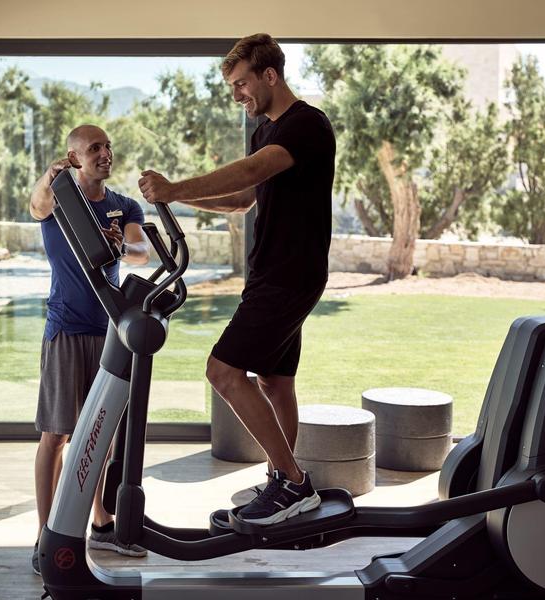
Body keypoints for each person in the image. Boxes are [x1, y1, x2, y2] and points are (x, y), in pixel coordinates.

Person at [138, 33, 336, 526]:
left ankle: (292, 482)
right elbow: (242, 198)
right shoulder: (263, 130)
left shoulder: (306, 125)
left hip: (290, 274)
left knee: (223, 371)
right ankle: (282, 482)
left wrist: (176, 184)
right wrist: (176, 198)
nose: (236, 95)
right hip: (272, 271)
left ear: (270, 75)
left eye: (242, 83)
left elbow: (252, 170)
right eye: (231, 86)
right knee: (275, 379)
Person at [28, 124, 150, 573]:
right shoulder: (59, 200)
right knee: (57, 436)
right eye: (95, 147)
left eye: (108, 147)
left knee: (101, 432)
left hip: (111, 329)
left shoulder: (122, 206)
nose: (105, 153)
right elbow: (37, 203)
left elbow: (140, 250)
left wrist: (122, 248)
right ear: (75, 156)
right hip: (66, 327)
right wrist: (49, 176)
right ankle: (46, 535)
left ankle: (101, 521)